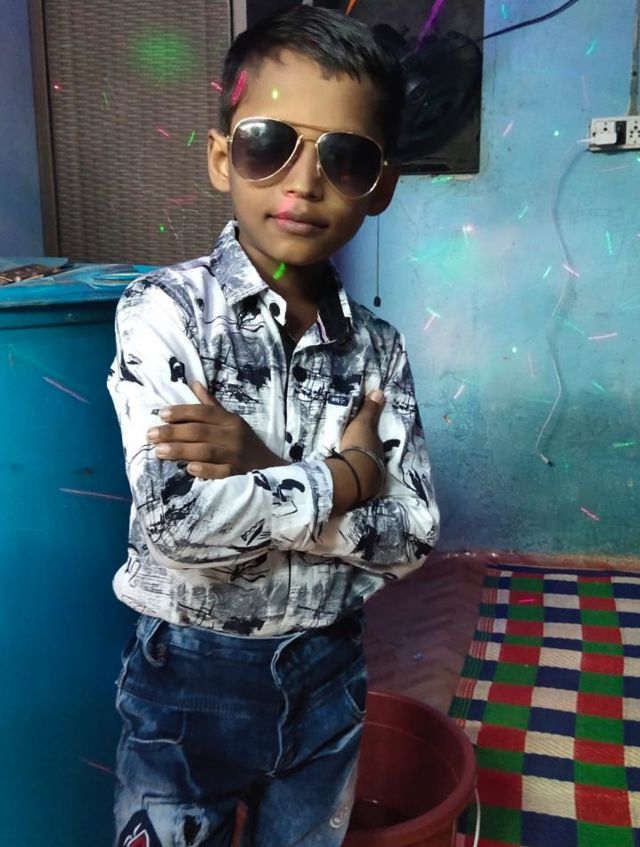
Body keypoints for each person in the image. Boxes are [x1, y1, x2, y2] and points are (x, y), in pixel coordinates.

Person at [107, 6, 439, 847]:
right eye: (269, 143)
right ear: (224, 157)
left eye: (345, 157)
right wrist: (348, 477)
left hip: (330, 670)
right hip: (188, 678)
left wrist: (255, 458)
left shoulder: (378, 350)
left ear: (382, 185)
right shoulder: (165, 312)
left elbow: (413, 537)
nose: (304, 181)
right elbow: (179, 525)